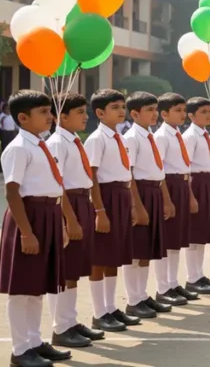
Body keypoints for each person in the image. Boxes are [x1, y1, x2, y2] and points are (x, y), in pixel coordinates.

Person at [0, 90, 70, 367]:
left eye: (50, 111)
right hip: (29, 216)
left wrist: (60, 223)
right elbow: (12, 193)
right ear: (23, 117)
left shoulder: (41, 144)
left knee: (38, 285)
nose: (50, 117)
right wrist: (26, 233)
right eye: (43, 112)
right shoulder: (18, 148)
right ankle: (20, 350)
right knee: (21, 288)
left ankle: (35, 341)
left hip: (48, 214)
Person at [46, 93, 104, 350]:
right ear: (63, 116)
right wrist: (69, 219)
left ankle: (70, 321)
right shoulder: (58, 142)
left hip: (82, 201)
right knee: (64, 270)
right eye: (80, 112)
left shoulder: (73, 141)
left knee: (75, 270)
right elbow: (58, 186)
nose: (86, 116)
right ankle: (61, 327)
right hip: (68, 204)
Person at [83, 89, 137, 332]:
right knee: (101, 256)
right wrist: (99, 211)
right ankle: (98, 312)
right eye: (115, 107)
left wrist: (132, 205)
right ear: (100, 112)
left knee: (115, 255)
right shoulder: (97, 139)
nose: (121, 111)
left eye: (122, 106)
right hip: (106, 196)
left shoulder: (121, 137)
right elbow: (92, 176)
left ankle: (110, 307)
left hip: (122, 196)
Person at [120, 91, 173, 320]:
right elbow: (129, 173)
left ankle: (142, 295)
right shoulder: (131, 137)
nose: (154, 114)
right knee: (135, 249)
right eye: (149, 110)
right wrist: (136, 205)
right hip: (139, 191)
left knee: (146, 250)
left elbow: (158, 170)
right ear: (134, 113)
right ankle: (133, 299)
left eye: (155, 109)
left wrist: (165, 198)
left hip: (153, 190)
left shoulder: (149, 135)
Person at [151, 93, 198, 308]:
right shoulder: (161, 136)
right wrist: (166, 199)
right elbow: (159, 169)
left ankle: (172, 282)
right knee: (168, 240)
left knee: (177, 241)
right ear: (164, 113)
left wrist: (188, 194)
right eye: (177, 110)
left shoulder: (177, 134)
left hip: (181, 184)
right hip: (168, 185)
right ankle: (163, 287)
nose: (182, 114)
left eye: (183, 110)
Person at [180, 97, 210, 291]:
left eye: (209, 111)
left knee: (203, 233)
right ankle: (192, 277)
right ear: (191, 115)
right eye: (203, 112)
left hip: (209, 183)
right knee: (194, 234)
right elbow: (186, 167)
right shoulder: (190, 136)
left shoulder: (206, 134)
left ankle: (199, 274)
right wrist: (191, 196)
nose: (209, 115)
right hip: (196, 183)